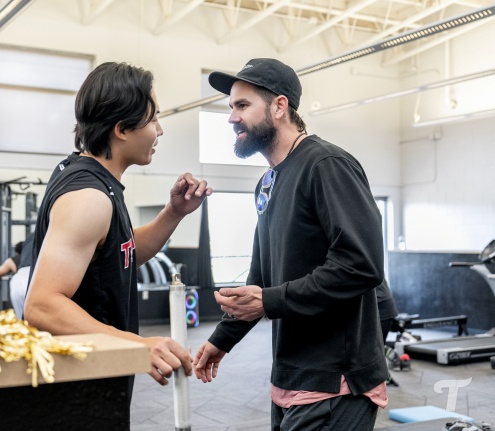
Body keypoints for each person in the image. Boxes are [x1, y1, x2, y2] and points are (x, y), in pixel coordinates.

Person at [192, 58, 389, 431]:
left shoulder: (326, 164)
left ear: (279, 107)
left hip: (335, 382)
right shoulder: (268, 181)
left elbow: (360, 265)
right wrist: (222, 338)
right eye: (231, 107)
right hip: (289, 375)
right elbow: (261, 276)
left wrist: (270, 301)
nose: (232, 117)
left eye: (242, 105)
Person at [23, 62, 212, 426]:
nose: (160, 130)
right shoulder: (89, 198)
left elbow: (120, 253)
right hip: (75, 399)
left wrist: (173, 213)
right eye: (153, 119)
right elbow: (42, 305)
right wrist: (139, 345)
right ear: (122, 129)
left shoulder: (95, 181)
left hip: (96, 387)